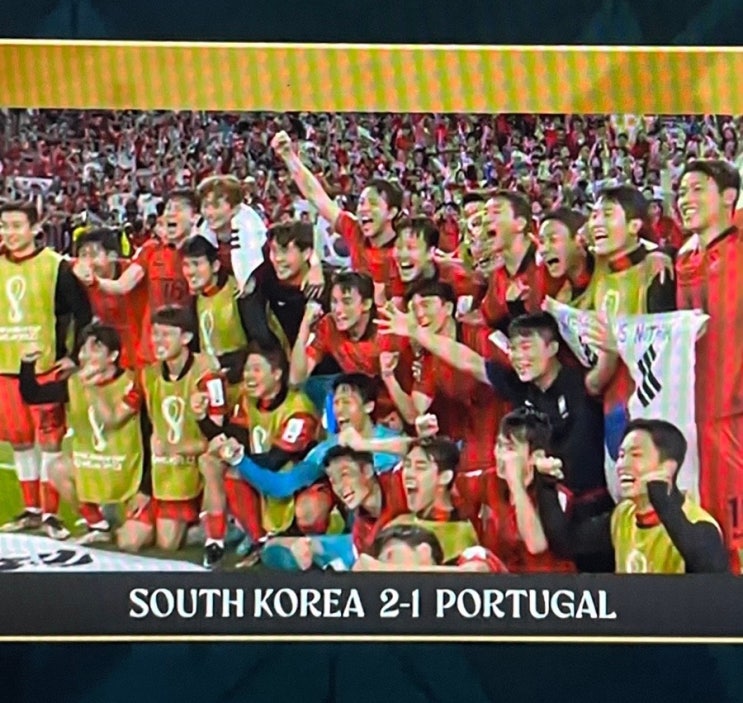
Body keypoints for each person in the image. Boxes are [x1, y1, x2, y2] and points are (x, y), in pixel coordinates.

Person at [0, 200, 93, 539]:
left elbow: (84, 315)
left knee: (50, 443)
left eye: (16, 226)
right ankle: (31, 510)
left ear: (35, 228)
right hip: (5, 369)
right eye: (4, 226)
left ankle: (51, 514)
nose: (9, 233)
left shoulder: (57, 267)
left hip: (45, 369)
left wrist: (74, 356)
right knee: (20, 442)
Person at [537, 418, 729, 573]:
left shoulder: (698, 523)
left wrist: (661, 497)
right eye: (621, 455)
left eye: (636, 455)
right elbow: (566, 543)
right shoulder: (624, 515)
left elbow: (713, 576)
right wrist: (546, 484)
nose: (622, 465)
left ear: (668, 467)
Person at [194, 343, 323, 569]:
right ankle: (222, 541)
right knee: (212, 461)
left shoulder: (299, 409)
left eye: (256, 369)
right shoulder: (250, 401)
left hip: (296, 484)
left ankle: (297, 540)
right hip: (266, 479)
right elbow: (229, 435)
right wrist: (202, 417)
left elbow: (275, 460)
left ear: (277, 373)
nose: (248, 376)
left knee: (234, 469)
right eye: (246, 369)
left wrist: (235, 457)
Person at [675, 159, 743, 566]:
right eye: (681, 192)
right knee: (709, 524)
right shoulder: (684, 261)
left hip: (736, 413)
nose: (685, 199)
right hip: (696, 417)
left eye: (697, 188)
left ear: (730, 196)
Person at [19, 324, 144, 545]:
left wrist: (90, 387)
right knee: (56, 468)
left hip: (128, 470)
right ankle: (97, 525)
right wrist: (27, 365)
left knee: (134, 542)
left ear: (113, 356)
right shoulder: (73, 383)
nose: (86, 355)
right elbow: (34, 395)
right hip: (93, 464)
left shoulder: (132, 383)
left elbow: (112, 420)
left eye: (95, 348)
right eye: (83, 349)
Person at [116, 305, 217, 553]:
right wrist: (144, 488)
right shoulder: (148, 375)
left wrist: (175, 448)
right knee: (128, 542)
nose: (158, 341)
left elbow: (217, 438)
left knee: (167, 544)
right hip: (160, 475)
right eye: (155, 334)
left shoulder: (207, 373)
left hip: (191, 473)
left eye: (166, 334)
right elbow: (142, 432)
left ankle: (205, 522)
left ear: (186, 338)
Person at [272, 129, 403, 303]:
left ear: (392, 212)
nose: (364, 209)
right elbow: (316, 195)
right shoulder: (354, 230)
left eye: (373, 204)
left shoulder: (405, 249)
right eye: (361, 202)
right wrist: (289, 156)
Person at [73, 189, 197, 365]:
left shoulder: (202, 253)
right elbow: (123, 285)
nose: (170, 213)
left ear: (194, 217)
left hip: (187, 344)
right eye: (168, 209)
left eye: (178, 209)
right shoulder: (151, 250)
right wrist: (94, 282)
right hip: (150, 349)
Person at [253, 445, 407, 572]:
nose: (340, 487)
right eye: (333, 481)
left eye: (345, 475)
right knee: (276, 549)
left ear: (367, 470)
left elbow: (413, 447)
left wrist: (363, 442)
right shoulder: (361, 530)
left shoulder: (400, 483)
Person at [289, 271, 411, 426]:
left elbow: (412, 391)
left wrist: (400, 415)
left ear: (366, 304)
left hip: (398, 412)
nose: (338, 310)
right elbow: (296, 380)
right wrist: (304, 328)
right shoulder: (329, 326)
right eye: (334, 302)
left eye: (346, 302)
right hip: (359, 412)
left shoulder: (390, 329)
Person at [181, 236, 281, 402]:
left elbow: (263, 344)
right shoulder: (193, 302)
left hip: (247, 388)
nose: (190, 271)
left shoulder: (240, 293)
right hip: (212, 389)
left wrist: (222, 362)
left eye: (196, 264)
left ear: (215, 265)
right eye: (186, 265)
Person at [73, 228, 147, 370]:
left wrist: (94, 282)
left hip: (140, 354)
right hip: (108, 357)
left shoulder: (133, 271)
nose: (88, 262)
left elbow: (122, 286)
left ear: (112, 256)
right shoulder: (79, 274)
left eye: (93, 255)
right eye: (83, 255)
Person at [388, 215, 486, 310]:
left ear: (431, 252)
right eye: (398, 247)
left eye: (411, 247)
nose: (402, 255)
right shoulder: (391, 275)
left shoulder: (460, 281)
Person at [537, 207, 594, 307]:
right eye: (541, 242)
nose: (543, 250)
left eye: (553, 239)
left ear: (579, 240)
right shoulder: (547, 278)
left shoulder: (604, 267)